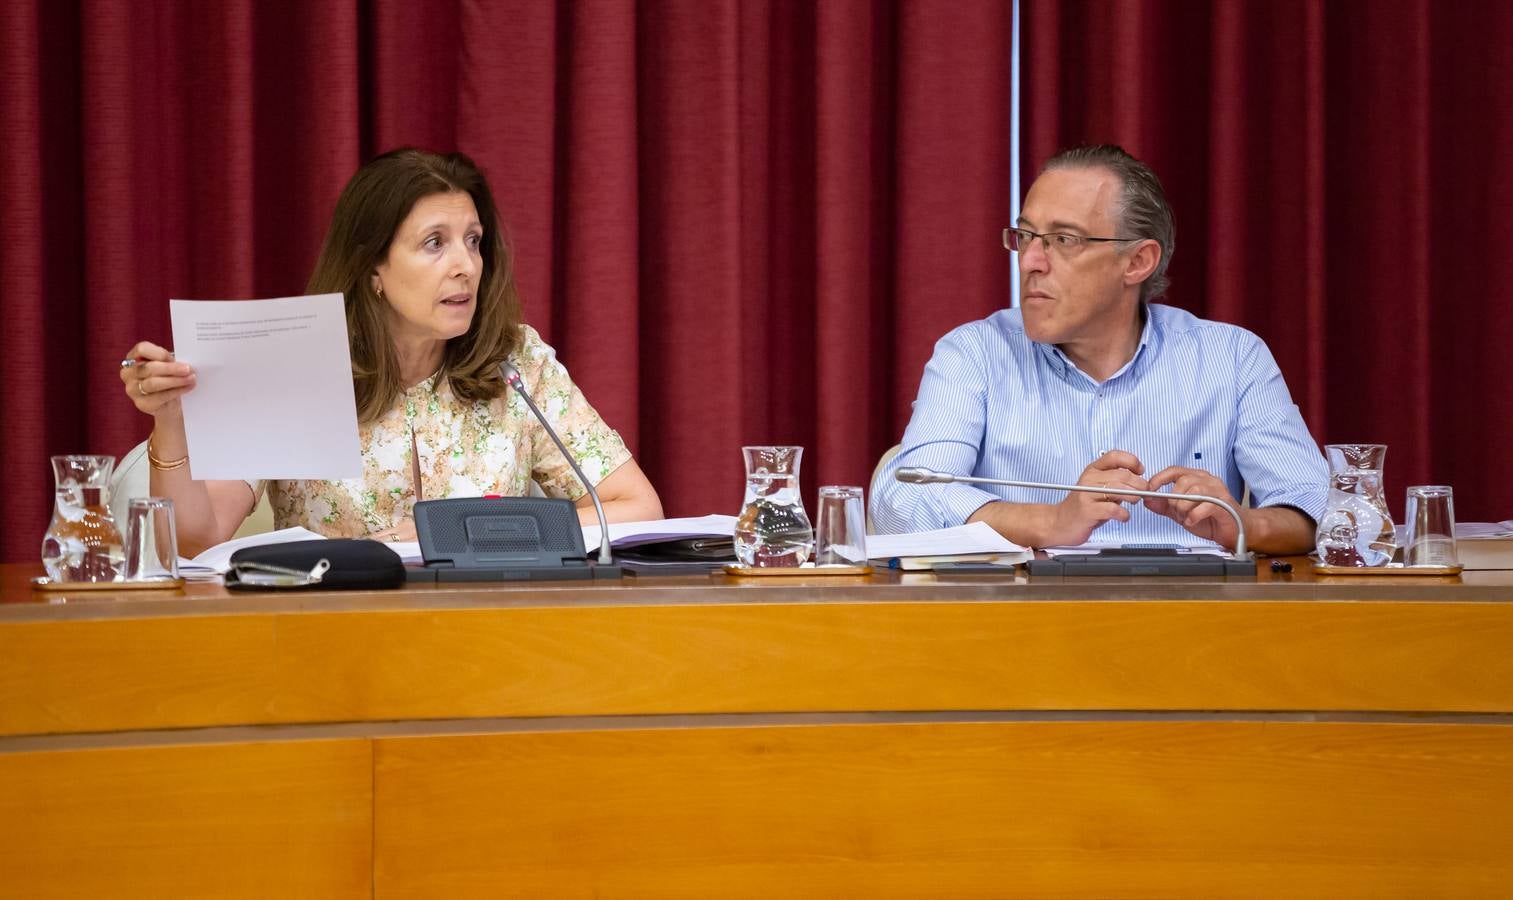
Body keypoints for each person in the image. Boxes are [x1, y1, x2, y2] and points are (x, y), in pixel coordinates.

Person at [120, 149, 662, 556]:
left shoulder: (514, 362)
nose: (466, 265)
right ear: (373, 267)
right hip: (338, 644)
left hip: (494, 642)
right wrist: (170, 421)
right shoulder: (295, 365)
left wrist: (461, 529)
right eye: (435, 243)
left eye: (473, 240)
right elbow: (195, 539)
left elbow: (637, 508)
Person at [873, 144, 1326, 554]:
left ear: (1137, 262)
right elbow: (905, 498)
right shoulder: (975, 354)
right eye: (1026, 236)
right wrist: (1053, 520)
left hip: (1190, 620)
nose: (1031, 261)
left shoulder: (1231, 358)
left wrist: (1240, 524)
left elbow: (1319, 510)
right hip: (1021, 623)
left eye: (1063, 240)